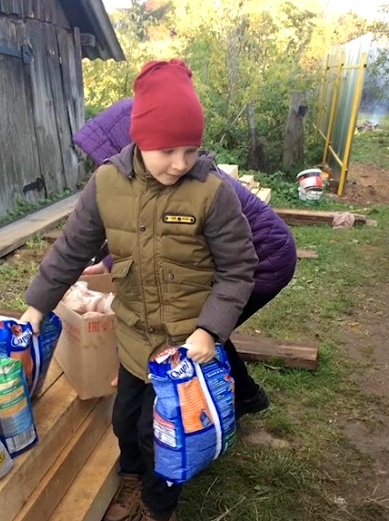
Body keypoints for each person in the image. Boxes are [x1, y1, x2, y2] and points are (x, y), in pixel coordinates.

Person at [21, 59, 259, 521]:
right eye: (168, 149)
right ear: (141, 138)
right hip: (133, 343)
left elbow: (238, 269)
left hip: (184, 348)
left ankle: (157, 506)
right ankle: (131, 481)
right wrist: (36, 307)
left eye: (191, 150)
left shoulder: (212, 192)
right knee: (125, 425)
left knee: (163, 439)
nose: (180, 162)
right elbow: (72, 249)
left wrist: (210, 331)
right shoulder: (107, 184)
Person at [74, 97, 297, 420]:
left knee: (200, 327)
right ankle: (246, 396)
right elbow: (143, 232)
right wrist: (107, 264)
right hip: (262, 251)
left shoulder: (192, 184)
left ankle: (204, 411)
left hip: (265, 258)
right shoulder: (152, 181)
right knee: (208, 327)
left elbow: (165, 238)